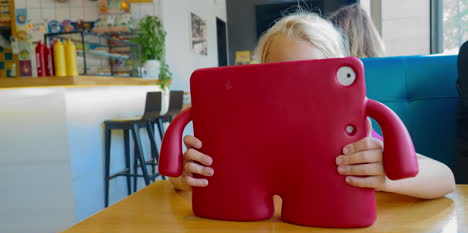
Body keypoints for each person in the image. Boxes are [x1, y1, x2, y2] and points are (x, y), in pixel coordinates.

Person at [169, 12, 455, 199]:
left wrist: (388, 177)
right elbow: (183, 182)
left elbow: (445, 178)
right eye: (282, 79)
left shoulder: (355, 137)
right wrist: (185, 177)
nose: (297, 95)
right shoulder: (248, 136)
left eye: (312, 78)